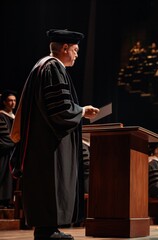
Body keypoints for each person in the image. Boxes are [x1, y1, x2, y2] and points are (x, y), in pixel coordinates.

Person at [10, 29, 100, 240]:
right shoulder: (52, 68)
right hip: (47, 143)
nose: (77, 55)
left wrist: (78, 109)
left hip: (41, 140)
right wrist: (81, 111)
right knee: (49, 183)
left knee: (46, 184)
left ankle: (49, 228)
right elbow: (60, 109)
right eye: (75, 50)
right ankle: (46, 231)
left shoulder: (42, 66)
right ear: (65, 48)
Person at [0, 90, 17, 209]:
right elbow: (4, 135)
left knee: (11, 178)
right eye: (10, 100)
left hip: (13, 151)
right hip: (4, 152)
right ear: (5, 102)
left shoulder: (15, 117)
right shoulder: (1, 116)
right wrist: (16, 141)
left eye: (14, 100)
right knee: (3, 175)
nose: (13, 103)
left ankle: (9, 201)